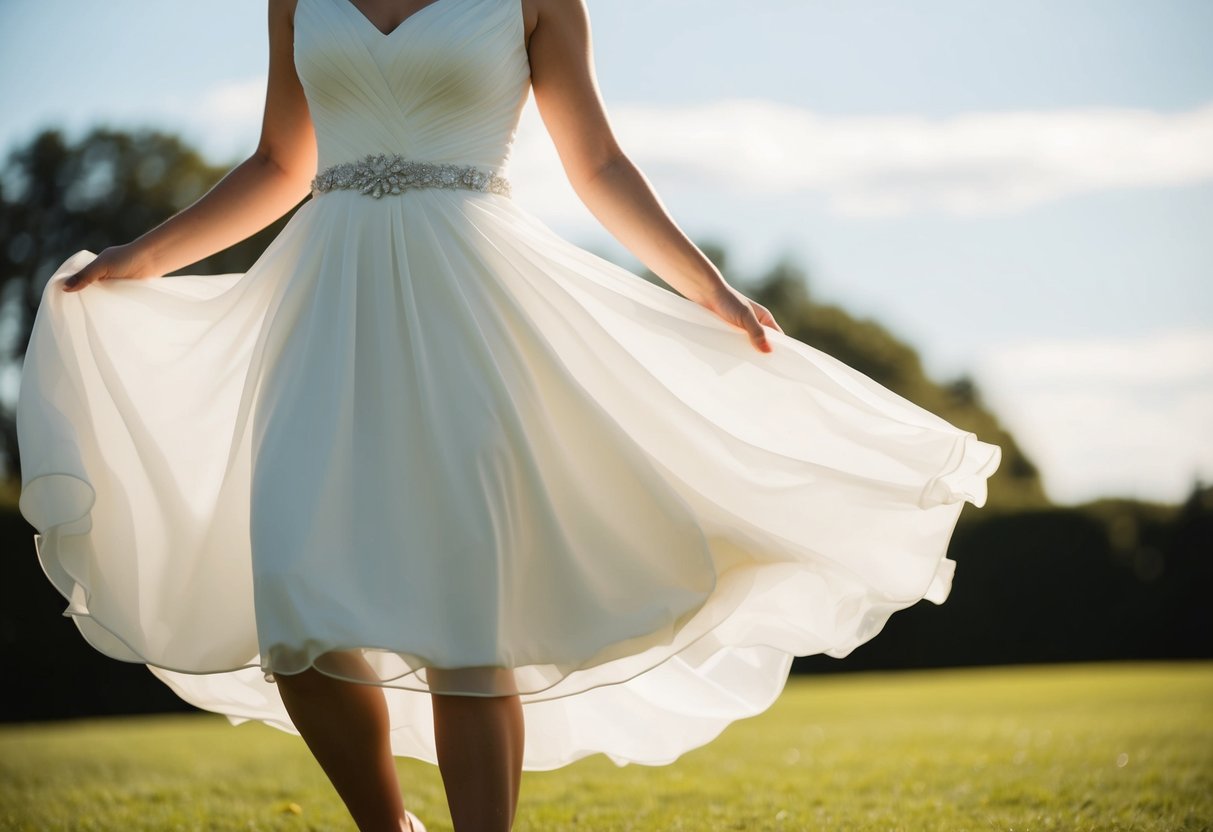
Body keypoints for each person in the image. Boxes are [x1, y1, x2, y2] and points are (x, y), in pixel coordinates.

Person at [16, 0, 1002, 830]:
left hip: (472, 310)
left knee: (465, 614)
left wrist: (706, 287)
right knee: (292, 602)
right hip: (323, 307)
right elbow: (280, 161)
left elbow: (597, 163)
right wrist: (142, 258)